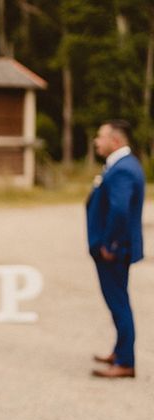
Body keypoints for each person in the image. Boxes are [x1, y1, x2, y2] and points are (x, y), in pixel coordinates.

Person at [87, 119, 144, 379]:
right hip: (114, 248)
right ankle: (119, 351)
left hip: (114, 250)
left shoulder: (122, 169)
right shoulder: (121, 165)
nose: (96, 141)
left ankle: (125, 362)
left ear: (116, 140)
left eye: (101, 136)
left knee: (119, 303)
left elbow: (120, 210)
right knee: (117, 302)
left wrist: (110, 244)